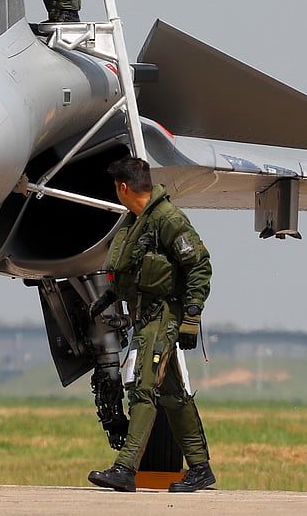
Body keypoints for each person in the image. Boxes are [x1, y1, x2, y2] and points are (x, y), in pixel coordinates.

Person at [88, 153, 217, 493]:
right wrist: (106, 299)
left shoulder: (167, 219)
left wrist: (191, 316)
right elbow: (133, 270)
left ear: (124, 187)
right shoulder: (138, 221)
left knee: (143, 388)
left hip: (162, 317)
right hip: (145, 316)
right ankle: (201, 468)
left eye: (116, 187)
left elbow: (199, 266)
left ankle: (125, 468)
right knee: (173, 395)